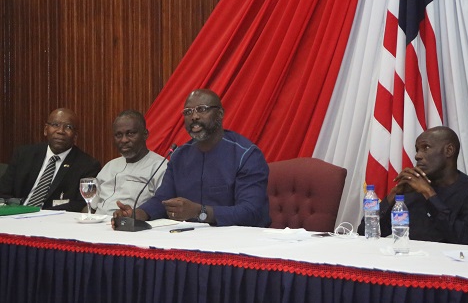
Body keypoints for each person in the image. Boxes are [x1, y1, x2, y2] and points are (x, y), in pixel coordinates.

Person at [112, 89, 270, 228]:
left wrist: (200, 212)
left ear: (220, 114)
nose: (194, 116)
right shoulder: (179, 156)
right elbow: (163, 199)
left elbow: (251, 211)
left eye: (202, 109)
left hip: (237, 246)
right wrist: (139, 214)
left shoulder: (246, 155)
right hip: (189, 242)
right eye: (188, 112)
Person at [358, 126, 468, 245]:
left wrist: (429, 194)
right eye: (417, 150)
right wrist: (393, 195)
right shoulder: (412, 190)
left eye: (425, 148)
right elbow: (365, 233)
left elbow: (466, 240)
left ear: (449, 151)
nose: (417, 156)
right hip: (409, 261)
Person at [0, 108, 101, 212]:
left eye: (68, 127)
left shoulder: (88, 165)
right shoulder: (24, 155)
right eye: (55, 125)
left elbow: (81, 204)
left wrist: (43, 214)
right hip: (16, 215)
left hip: (53, 221)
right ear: (45, 130)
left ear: (75, 136)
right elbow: (3, 192)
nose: (60, 131)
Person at [91, 110, 168, 215]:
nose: (124, 140)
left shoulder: (160, 167)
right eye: (118, 135)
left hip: (130, 227)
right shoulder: (110, 166)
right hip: (97, 224)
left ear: (145, 134)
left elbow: (161, 206)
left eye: (130, 133)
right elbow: (92, 205)